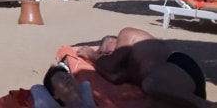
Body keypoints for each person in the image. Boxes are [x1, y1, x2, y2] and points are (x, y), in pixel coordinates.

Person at [71, 28, 207, 102]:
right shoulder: (129, 65)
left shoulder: (127, 33)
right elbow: (115, 77)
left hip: (177, 65)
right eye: (104, 54)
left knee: (150, 84)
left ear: (113, 40)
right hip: (169, 85)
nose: (107, 54)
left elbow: (110, 65)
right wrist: (98, 62)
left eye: (106, 50)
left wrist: (92, 55)